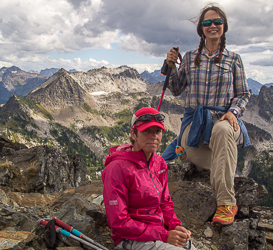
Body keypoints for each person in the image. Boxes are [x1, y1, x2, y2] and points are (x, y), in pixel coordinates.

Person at [162, 4, 251, 226]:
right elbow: (176, 88)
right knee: (216, 164)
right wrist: (170, 65)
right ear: (201, 29)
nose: (213, 26)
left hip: (223, 119)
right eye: (207, 22)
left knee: (222, 129)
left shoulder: (234, 59)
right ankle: (219, 169)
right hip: (195, 125)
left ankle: (226, 203)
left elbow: (243, 94)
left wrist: (233, 111)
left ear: (224, 27)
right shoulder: (191, 57)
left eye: (217, 22)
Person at [102, 107, 196, 250]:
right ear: (134, 134)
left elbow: (165, 203)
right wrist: (163, 235)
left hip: (158, 233)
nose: (154, 136)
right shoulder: (117, 168)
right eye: (147, 131)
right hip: (132, 239)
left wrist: (175, 226)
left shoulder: (159, 163)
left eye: (157, 131)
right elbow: (118, 221)